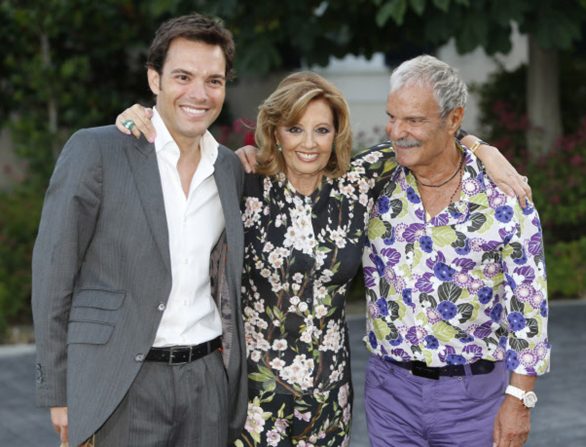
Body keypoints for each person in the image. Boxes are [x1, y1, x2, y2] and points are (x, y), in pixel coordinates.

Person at [116, 68, 530, 446]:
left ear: (337, 134)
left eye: (322, 130)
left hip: (329, 392)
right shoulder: (241, 180)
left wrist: (483, 149)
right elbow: (179, 149)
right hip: (255, 397)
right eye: (295, 129)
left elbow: (428, 135)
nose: (309, 144)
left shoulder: (357, 182)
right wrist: (138, 117)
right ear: (276, 131)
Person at [31, 14, 247, 447]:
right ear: (155, 79)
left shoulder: (229, 168)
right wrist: (59, 391)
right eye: (183, 76)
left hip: (207, 382)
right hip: (121, 382)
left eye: (214, 80)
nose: (199, 94)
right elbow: (53, 274)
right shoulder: (97, 151)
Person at [362, 55, 549, 447]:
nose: (397, 132)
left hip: (474, 398)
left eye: (414, 120)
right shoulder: (373, 179)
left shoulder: (505, 195)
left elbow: (528, 307)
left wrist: (519, 400)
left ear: (452, 119)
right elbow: (301, 163)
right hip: (389, 394)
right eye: (392, 117)